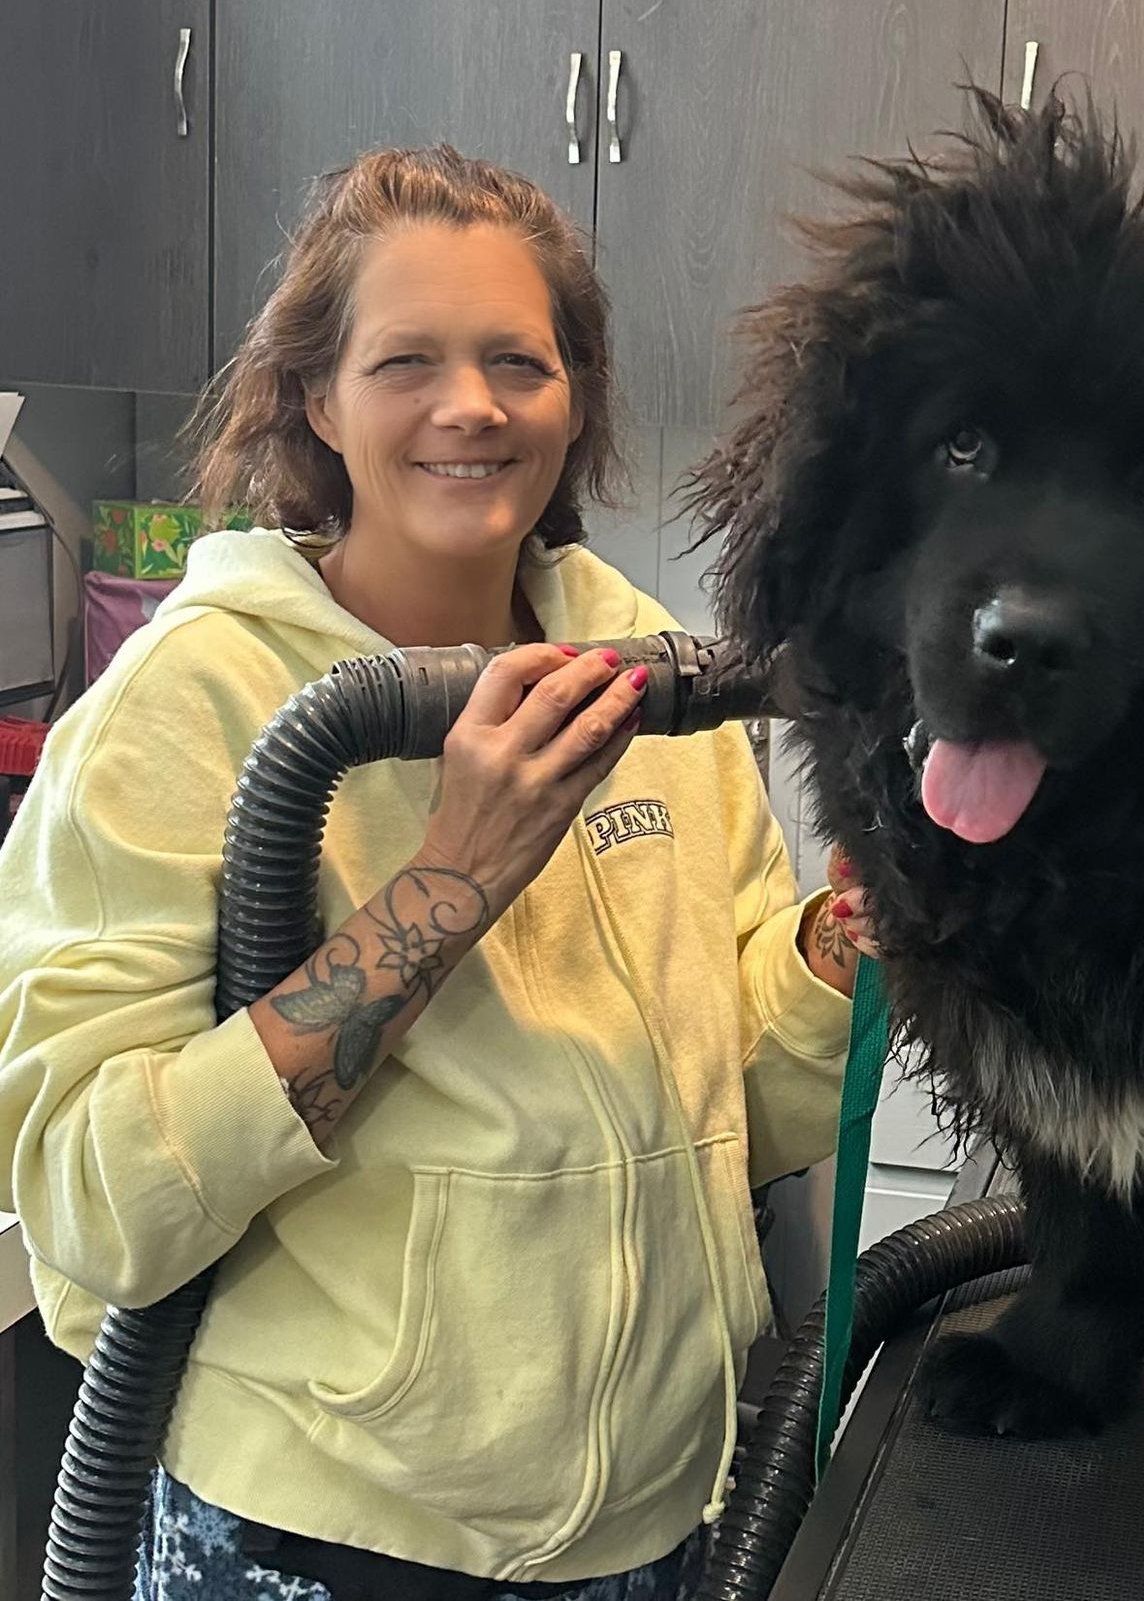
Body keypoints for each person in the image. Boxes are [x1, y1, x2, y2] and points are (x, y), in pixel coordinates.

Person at [0, 146, 874, 1601]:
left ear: (574, 397)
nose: (471, 406)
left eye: (518, 361)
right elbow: (95, 1203)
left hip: (649, 1524)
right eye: (407, 359)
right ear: (317, 401)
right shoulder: (185, 704)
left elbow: (736, 1108)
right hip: (327, 1534)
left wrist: (840, 951)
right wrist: (446, 883)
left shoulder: (645, 671)